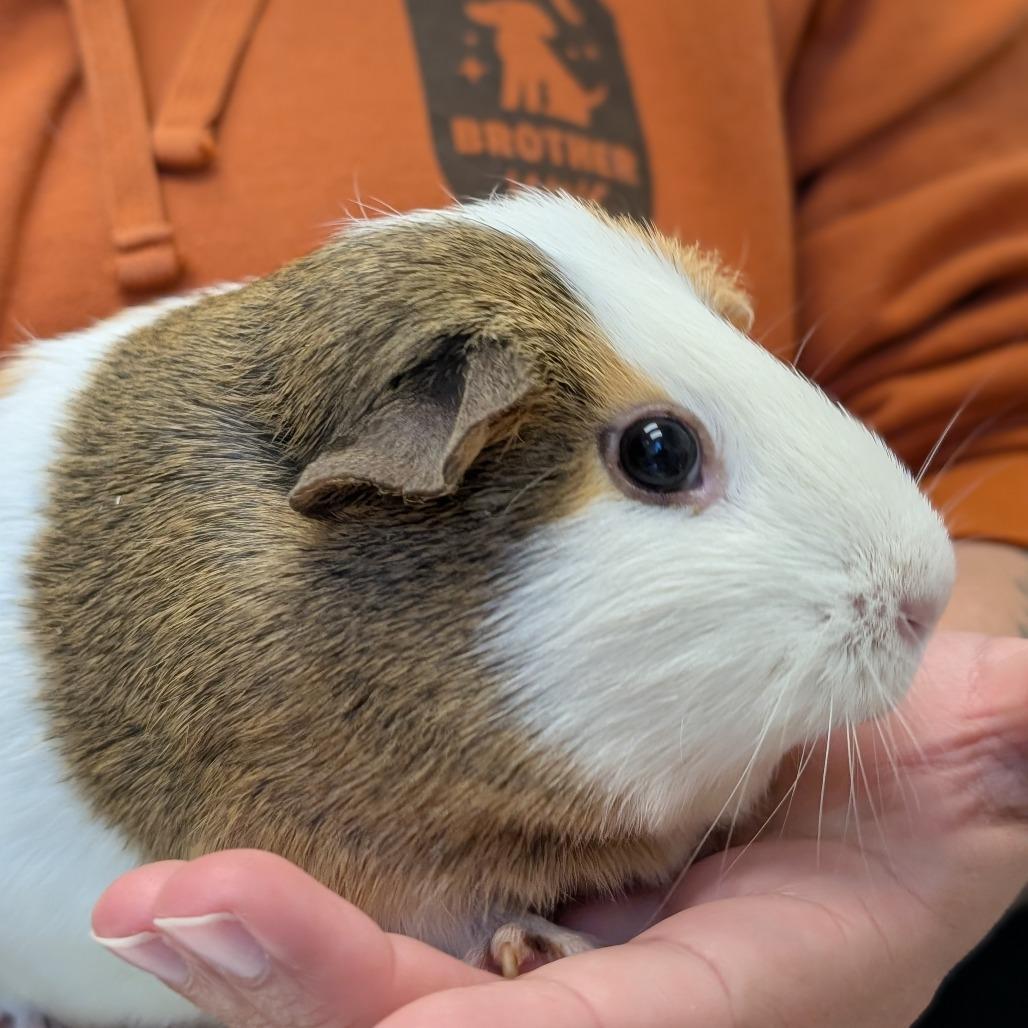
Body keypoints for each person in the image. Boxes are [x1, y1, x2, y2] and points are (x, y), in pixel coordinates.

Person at [4, 1, 1026, 1023]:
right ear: (405, 483)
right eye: (657, 457)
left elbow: (983, 406)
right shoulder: (262, 662)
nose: (902, 586)